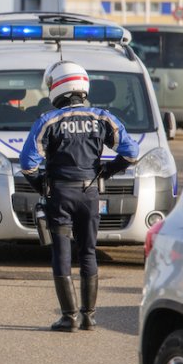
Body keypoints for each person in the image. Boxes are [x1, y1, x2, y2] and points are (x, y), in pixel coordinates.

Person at [19, 61, 139, 333]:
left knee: (61, 252)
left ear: (58, 87)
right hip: (90, 193)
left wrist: (42, 186)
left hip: (60, 193)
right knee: (87, 251)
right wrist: (106, 171)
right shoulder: (103, 117)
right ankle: (89, 317)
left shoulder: (48, 120)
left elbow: (27, 163)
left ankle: (69, 317)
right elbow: (131, 153)